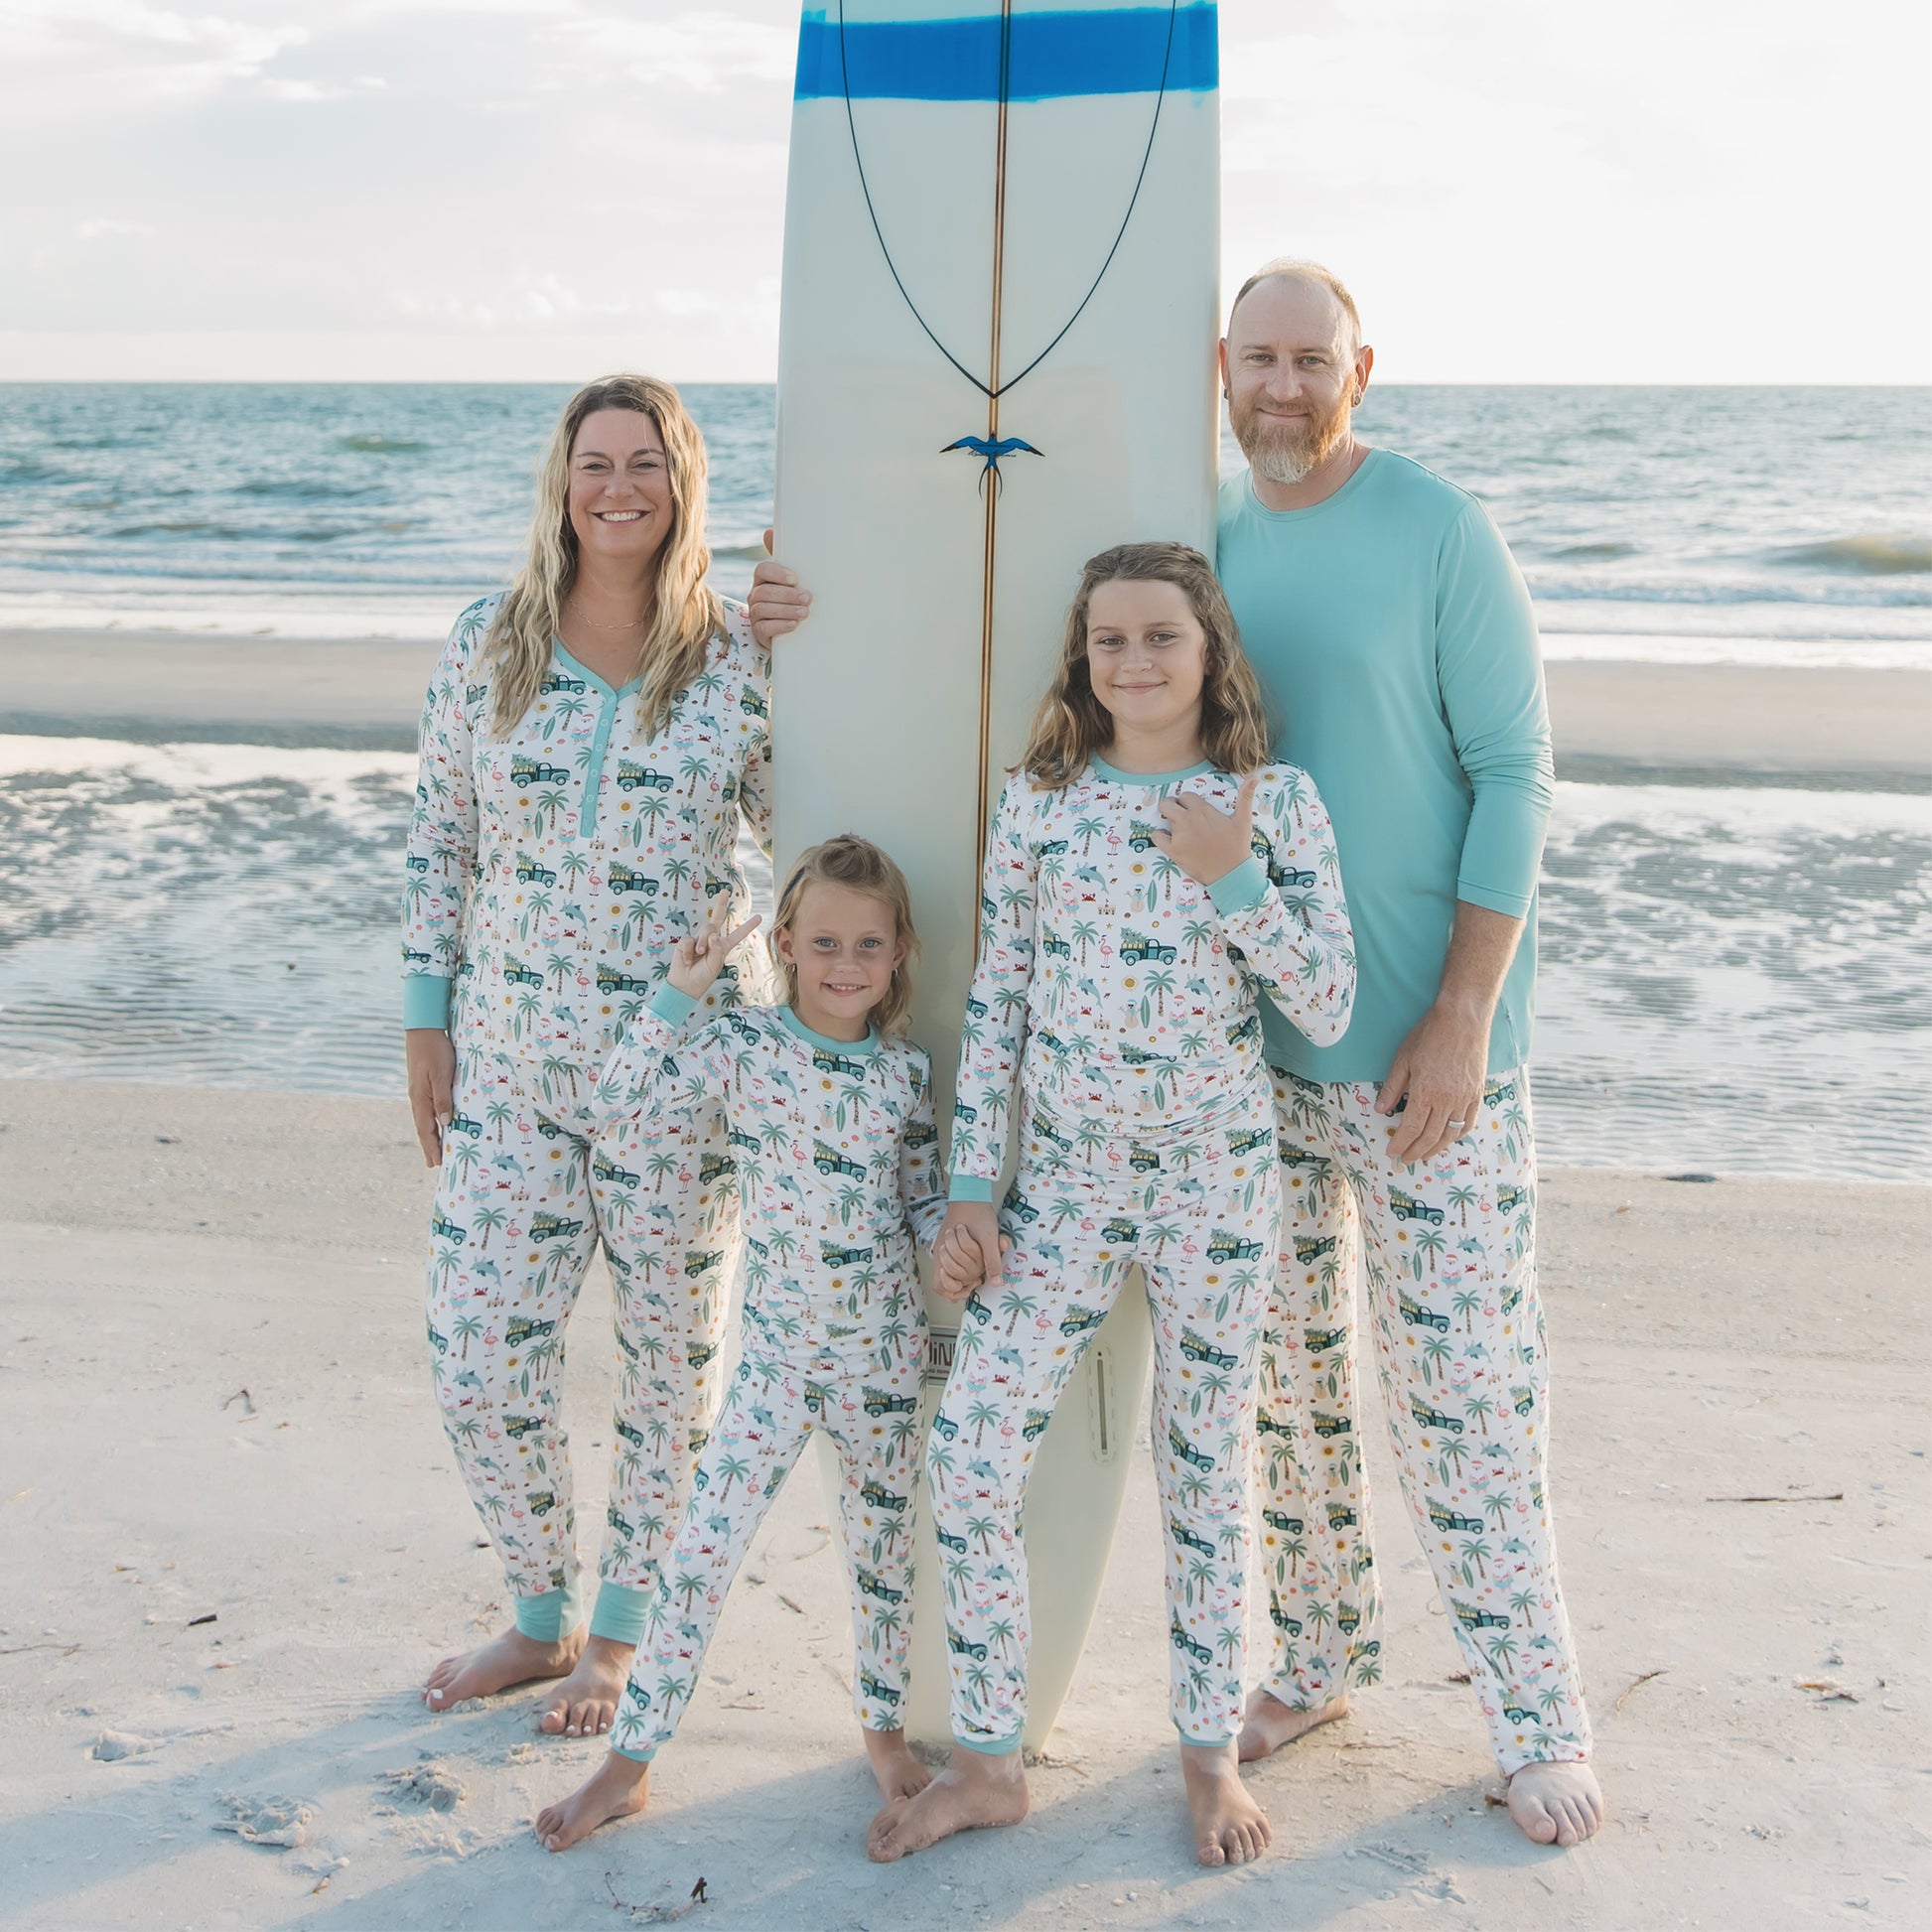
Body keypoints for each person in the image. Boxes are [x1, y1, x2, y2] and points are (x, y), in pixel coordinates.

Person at [748, 260, 1605, 1850]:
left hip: (1424, 1048)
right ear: (1222, 365)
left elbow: (1516, 770)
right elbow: (995, 574)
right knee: (1284, 1404)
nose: (1281, 386)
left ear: (1362, 368)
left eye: (1311, 360)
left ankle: (1535, 1715)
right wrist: (796, 604)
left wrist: (1464, 1011)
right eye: (1257, 357)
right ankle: (1323, 1654)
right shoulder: (1199, 535)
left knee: (1465, 1389)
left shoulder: (1438, 530)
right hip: (1239, 1078)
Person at [868, 543, 1355, 1868]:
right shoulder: (1041, 802)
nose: (1134, 661)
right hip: (1064, 1189)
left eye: (1161, 637)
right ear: (1079, 663)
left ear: (1210, 654)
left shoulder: (1270, 801)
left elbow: (1324, 1002)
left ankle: (1206, 1753)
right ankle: (988, 1753)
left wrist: (1231, 873)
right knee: (969, 1455)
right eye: (1108, 642)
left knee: (1204, 1467)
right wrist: (972, 1190)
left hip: (1215, 1181)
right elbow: (1001, 1006)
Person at [409, 374, 771, 1739]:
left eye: (646, 464)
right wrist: (421, 1017)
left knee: (671, 1368)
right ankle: (537, 1607)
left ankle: (619, 1638)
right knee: (477, 1352)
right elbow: (441, 836)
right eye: (593, 463)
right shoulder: (486, 644)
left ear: (683, 485)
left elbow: (808, 837)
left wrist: (815, 645)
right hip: (509, 1063)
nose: (617, 487)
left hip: (685, 1069)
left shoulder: (736, 660)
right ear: (559, 484)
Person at [531, 837, 947, 1851]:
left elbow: (923, 1200)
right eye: (821, 942)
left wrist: (961, 1245)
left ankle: (881, 1733)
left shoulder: (905, 1073)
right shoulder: (742, 1045)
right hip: (772, 1364)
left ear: (897, 954)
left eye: (867, 943)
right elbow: (616, 1101)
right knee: (698, 1557)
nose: (844, 962)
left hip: (881, 1363)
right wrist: (679, 993)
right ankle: (627, 1764)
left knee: (884, 1561)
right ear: (788, 946)